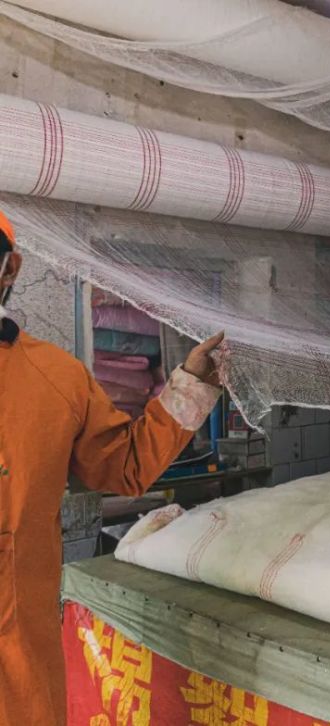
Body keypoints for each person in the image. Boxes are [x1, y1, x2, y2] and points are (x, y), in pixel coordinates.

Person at [0, 210, 225, 725]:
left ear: (9, 268)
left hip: (19, 676)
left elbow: (124, 467)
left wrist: (191, 384)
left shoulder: (56, 378)